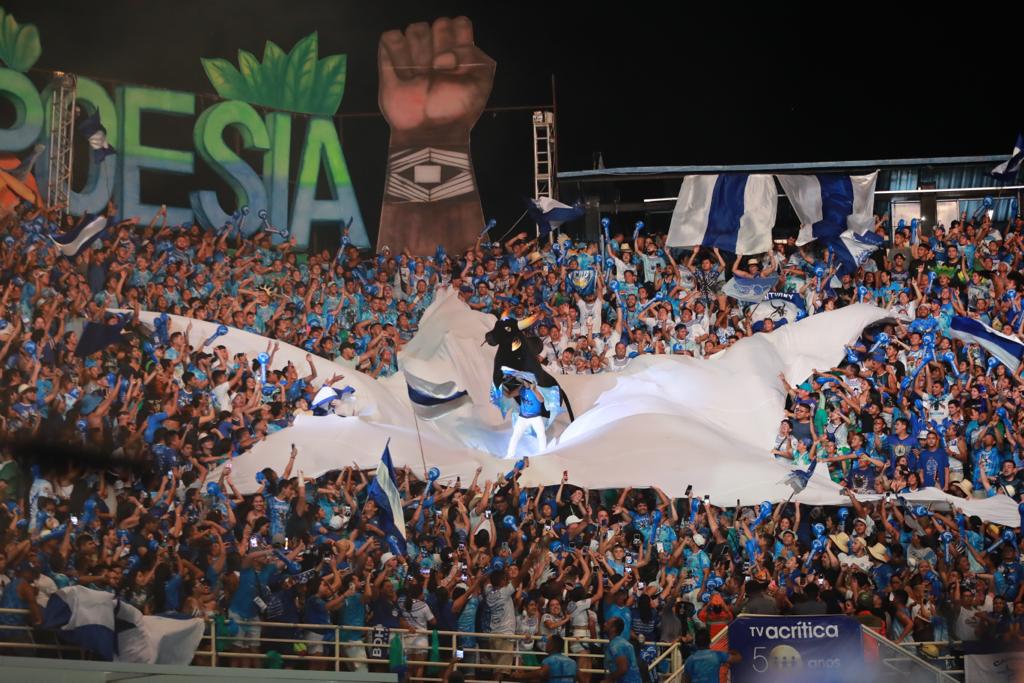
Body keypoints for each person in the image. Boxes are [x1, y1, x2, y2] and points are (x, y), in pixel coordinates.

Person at [504, 378, 548, 458]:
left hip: (536, 417)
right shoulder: (521, 388)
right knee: (515, 436)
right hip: (523, 418)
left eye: (527, 381)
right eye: (524, 381)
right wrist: (500, 388)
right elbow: (509, 395)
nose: (526, 383)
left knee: (541, 435)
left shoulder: (536, 388)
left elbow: (541, 400)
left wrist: (534, 390)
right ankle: (509, 455)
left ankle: (543, 454)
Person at [512, 634, 579, 683]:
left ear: (551, 646)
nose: (546, 644)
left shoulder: (549, 660)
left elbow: (541, 673)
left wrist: (521, 676)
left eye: (547, 642)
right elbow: (583, 679)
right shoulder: (572, 662)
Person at [602, 617, 641, 683]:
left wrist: (609, 679)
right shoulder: (620, 642)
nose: (604, 624)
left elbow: (623, 668)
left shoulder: (616, 645)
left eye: (607, 623)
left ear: (613, 629)